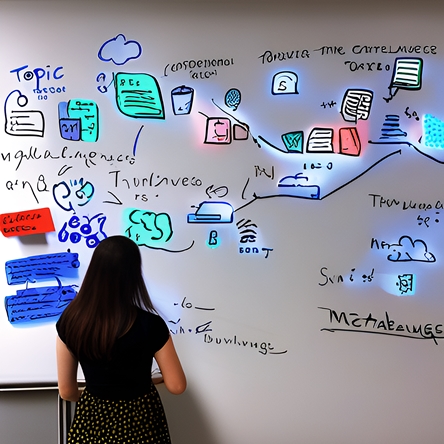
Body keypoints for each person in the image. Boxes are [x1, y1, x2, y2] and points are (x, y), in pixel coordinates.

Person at [56, 235, 186, 443]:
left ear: (94, 272)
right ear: (134, 275)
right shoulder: (151, 325)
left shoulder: (70, 322)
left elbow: (67, 391)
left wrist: (97, 402)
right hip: (141, 423)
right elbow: (177, 386)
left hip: (92, 422)